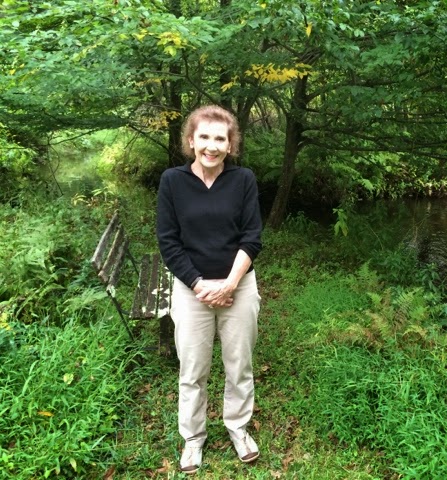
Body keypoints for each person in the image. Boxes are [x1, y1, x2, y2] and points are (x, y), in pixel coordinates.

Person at [156, 105, 263, 474]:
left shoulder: (243, 180)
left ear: (231, 145)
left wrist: (230, 284)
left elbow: (252, 237)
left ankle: (238, 429)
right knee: (192, 370)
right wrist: (199, 284)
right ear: (191, 140)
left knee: (239, 366)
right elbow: (168, 241)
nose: (211, 146)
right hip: (192, 291)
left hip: (239, 287)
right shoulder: (172, 181)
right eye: (204, 137)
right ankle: (193, 438)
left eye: (220, 139)